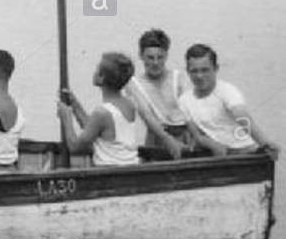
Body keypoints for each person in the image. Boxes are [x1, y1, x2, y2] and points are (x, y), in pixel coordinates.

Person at [178, 44, 279, 158]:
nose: (199, 76)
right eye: (194, 71)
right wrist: (213, 145)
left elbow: (243, 117)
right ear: (187, 71)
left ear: (216, 68)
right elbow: (197, 135)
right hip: (216, 154)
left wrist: (265, 143)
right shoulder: (184, 100)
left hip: (246, 152)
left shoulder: (227, 91)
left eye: (205, 70)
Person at [59, 52, 140, 166]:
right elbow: (94, 129)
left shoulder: (101, 113)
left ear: (102, 78)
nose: (94, 72)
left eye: (97, 69)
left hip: (110, 173)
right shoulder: (129, 105)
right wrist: (75, 105)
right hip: (130, 169)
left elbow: (75, 147)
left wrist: (66, 118)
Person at [124, 29, 188, 158]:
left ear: (166, 56)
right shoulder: (134, 84)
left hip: (185, 139)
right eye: (150, 57)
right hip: (156, 141)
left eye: (160, 57)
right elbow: (146, 115)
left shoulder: (178, 78)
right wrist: (168, 139)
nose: (155, 63)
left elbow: (190, 111)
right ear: (141, 56)